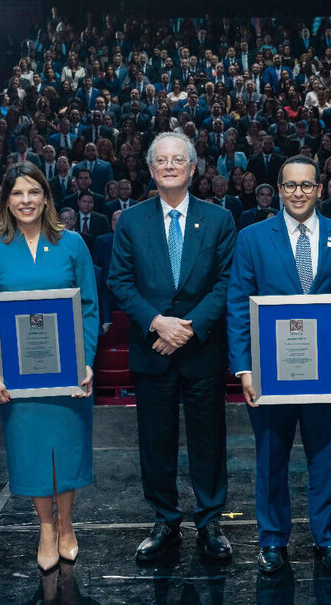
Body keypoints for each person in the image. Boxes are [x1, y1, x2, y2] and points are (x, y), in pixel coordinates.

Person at [107, 132, 237, 563]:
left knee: (208, 440)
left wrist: (190, 326)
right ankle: (164, 519)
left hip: (201, 350)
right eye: (160, 160)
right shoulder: (131, 220)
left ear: (192, 168)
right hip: (153, 349)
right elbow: (119, 282)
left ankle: (210, 521)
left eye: (177, 159)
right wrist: (156, 322)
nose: (168, 166)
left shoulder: (219, 220)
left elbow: (226, 283)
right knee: (155, 441)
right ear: (149, 169)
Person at [226, 155, 331, 574]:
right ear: (278, 190)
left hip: (326, 370)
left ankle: (328, 540)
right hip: (270, 374)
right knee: (270, 458)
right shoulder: (251, 238)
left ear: (320, 189)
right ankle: (271, 541)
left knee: (325, 459)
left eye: (306, 185)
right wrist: (244, 368)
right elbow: (237, 305)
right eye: (290, 185)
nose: (298, 192)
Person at [0, 161, 98, 571]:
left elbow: (89, 309)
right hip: (18, 377)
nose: (25, 201)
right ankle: (45, 527)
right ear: (5, 201)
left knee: (64, 450)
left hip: (66, 373)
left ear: (46, 196)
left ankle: (67, 524)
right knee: (30, 451)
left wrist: (86, 362)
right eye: (16, 194)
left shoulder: (72, 244)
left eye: (33, 192)